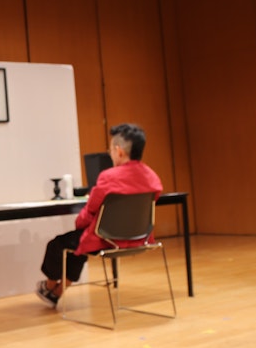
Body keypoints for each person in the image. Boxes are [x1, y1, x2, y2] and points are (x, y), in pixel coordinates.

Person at [36, 123, 162, 307]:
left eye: (110, 150)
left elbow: (90, 211)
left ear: (119, 151)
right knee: (78, 246)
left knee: (59, 245)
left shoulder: (109, 177)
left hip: (106, 239)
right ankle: (56, 293)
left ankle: (48, 287)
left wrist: (80, 223)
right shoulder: (152, 177)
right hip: (139, 238)